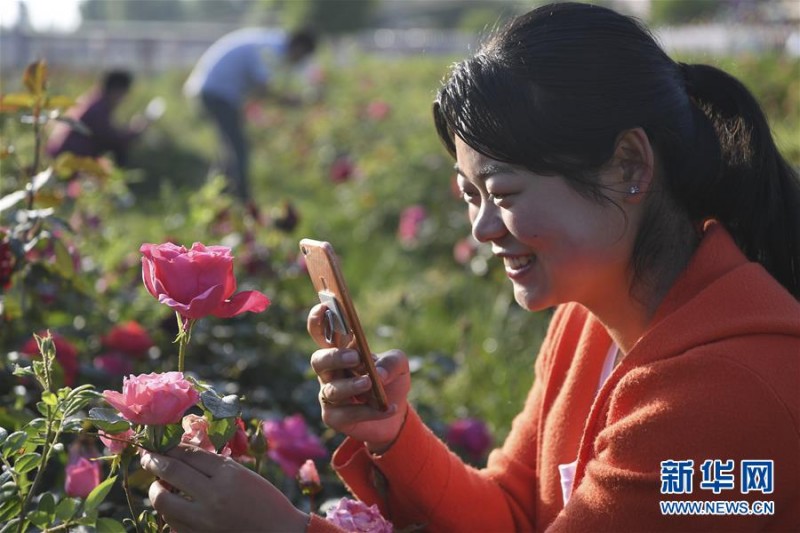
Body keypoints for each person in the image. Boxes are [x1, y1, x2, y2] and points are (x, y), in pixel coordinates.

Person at [140, 3, 800, 531]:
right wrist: (392, 433)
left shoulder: (726, 396)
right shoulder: (587, 320)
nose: (482, 230)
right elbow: (514, 512)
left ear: (630, 165)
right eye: (470, 197)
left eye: (505, 195)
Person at [184, 27, 317, 204]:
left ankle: (217, 195)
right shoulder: (269, 49)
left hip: (220, 92)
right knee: (239, 148)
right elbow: (264, 89)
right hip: (216, 92)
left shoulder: (271, 43)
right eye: (301, 57)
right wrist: (289, 101)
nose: (297, 61)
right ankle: (242, 200)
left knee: (230, 147)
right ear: (299, 47)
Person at [46, 69, 147, 167]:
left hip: (63, 159)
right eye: (124, 94)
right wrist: (135, 131)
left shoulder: (95, 102)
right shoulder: (97, 110)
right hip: (67, 163)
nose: (124, 100)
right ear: (117, 91)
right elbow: (111, 139)